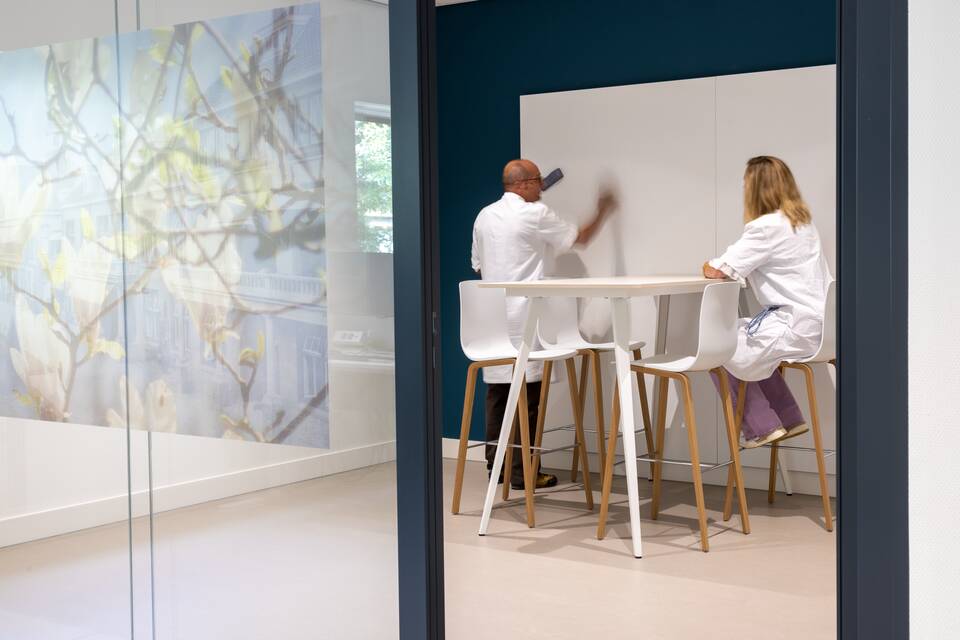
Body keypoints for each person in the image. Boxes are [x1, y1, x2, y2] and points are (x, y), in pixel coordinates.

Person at [471, 159, 617, 488]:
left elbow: (478, 266)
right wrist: (603, 210)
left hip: (491, 322)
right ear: (523, 184)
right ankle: (524, 472)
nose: (543, 186)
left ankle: (498, 468)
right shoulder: (534, 213)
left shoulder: (484, 216)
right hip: (524, 318)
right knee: (528, 396)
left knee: (499, 393)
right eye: (538, 180)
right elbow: (579, 238)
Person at [703, 155, 833, 448]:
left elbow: (720, 269)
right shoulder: (803, 224)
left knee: (720, 345)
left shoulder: (765, 227)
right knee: (745, 339)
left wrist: (707, 265)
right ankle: (789, 417)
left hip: (793, 326)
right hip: (821, 329)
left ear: (755, 188)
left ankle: (761, 427)